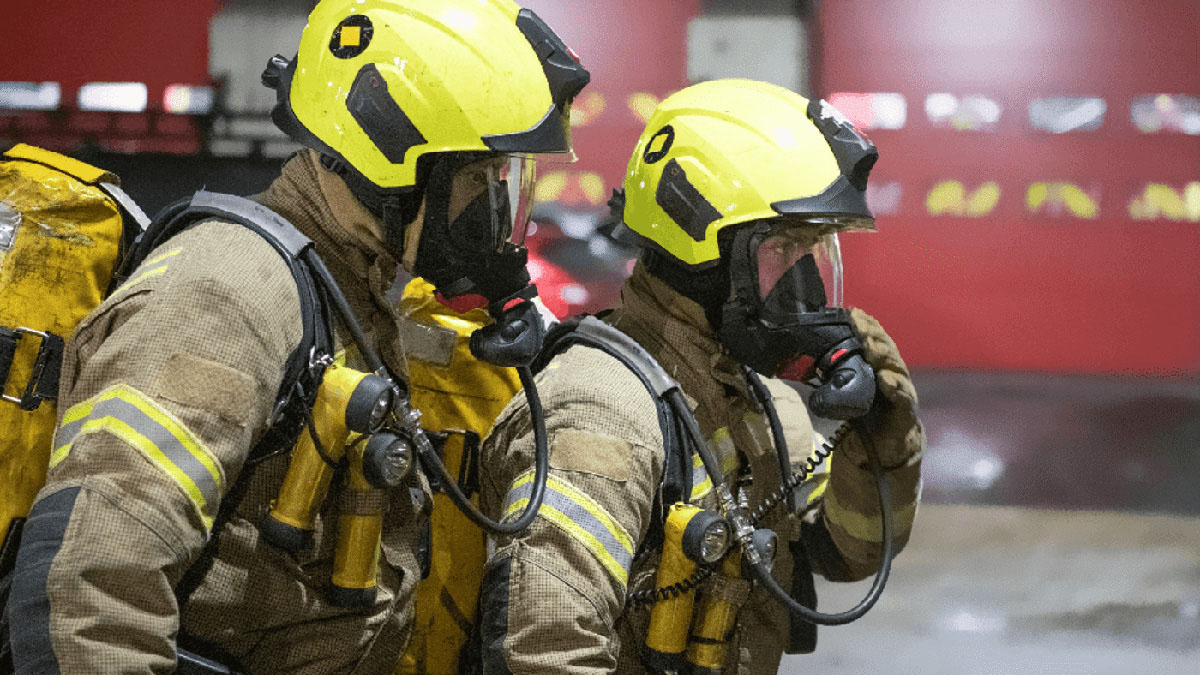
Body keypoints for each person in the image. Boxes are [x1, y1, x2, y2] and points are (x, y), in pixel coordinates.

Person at [6, 1, 587, 672]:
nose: (493, 209)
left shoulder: (351, 292)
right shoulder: (230, 290)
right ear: (386, 155)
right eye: (475, 177)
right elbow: (92, 585)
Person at [476, 79, 924, 674]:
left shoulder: (758, 400)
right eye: (784, 249)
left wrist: (879, 436)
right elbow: (544, 652)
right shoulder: (600, 412)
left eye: (814, 250)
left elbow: (847, 551)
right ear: (702, 249)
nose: (808, 286)